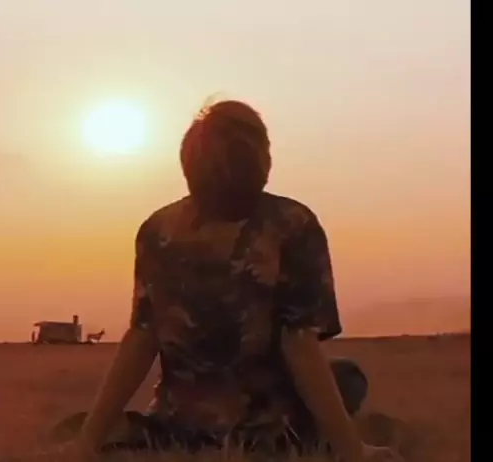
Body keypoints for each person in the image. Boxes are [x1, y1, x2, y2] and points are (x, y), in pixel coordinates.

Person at [58, 100, 403, 462]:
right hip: (268, 429)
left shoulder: (157, 230)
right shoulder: (292, 224)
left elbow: (142, 338)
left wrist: (88, 440)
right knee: (348, 377)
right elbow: (299, 344)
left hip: (176, 423)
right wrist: (353, 451)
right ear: (262, 160)